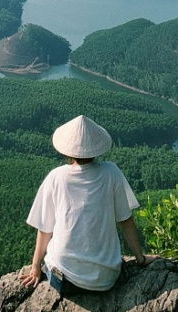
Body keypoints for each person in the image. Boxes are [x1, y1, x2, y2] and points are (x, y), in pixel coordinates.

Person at [19, 115, 157, 294]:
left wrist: (36, 267)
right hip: (106, 279)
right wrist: (140, 258)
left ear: (67, 150)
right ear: (96, 148)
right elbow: (126, 219)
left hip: (63, 281)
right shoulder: (111, 172)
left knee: (54, 250)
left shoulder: (56, 176)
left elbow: (45, 229)